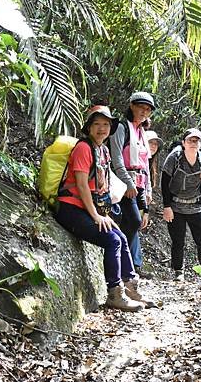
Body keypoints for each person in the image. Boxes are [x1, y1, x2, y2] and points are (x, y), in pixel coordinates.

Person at [54, 105, 156, 311]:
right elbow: (82, 185)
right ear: (89, 127)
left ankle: (130, 289)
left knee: (121, 237)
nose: (102, 129)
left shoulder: (103, 150)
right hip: (71, 208)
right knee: (112, 240)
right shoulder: (84, 148)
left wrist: (104, 214)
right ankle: (114, 294)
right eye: (97, 124)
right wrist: (96, 216)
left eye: (106, 125)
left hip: (89, 208)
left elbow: (101, 187)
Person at [109, 92, 154, 276]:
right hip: (124, 184)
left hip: (139, 184)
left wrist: (148, 188)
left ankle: (123, 265)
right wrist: (128, 183)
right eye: (141, 107)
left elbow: (145, 164)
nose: (144, 112)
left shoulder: (141, 132)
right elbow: (117, 158)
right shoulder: (122, 128)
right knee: (133, 221)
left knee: (133, 222)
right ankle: (121, 262)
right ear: (132, 106)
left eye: (148, 109)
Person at [161, 128, 201, 283]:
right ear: (184, 143)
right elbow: (165, 183)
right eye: (190, 140)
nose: (193, 143)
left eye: (197, 140)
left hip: (196, 206)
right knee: (178, 241)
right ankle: (178, 272)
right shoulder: (174, 158)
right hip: (176, 206)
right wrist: (167, 206)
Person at [128, 129, 163, 278]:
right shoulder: (136, 160)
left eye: (156, 144)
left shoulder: (149, 163)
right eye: (151, 143)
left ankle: (134, 263)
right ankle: (134, 264)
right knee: (133, 226)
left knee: (135, 227)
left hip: (140, 199)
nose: (154, 146)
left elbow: (146, 184)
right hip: (132, 196)